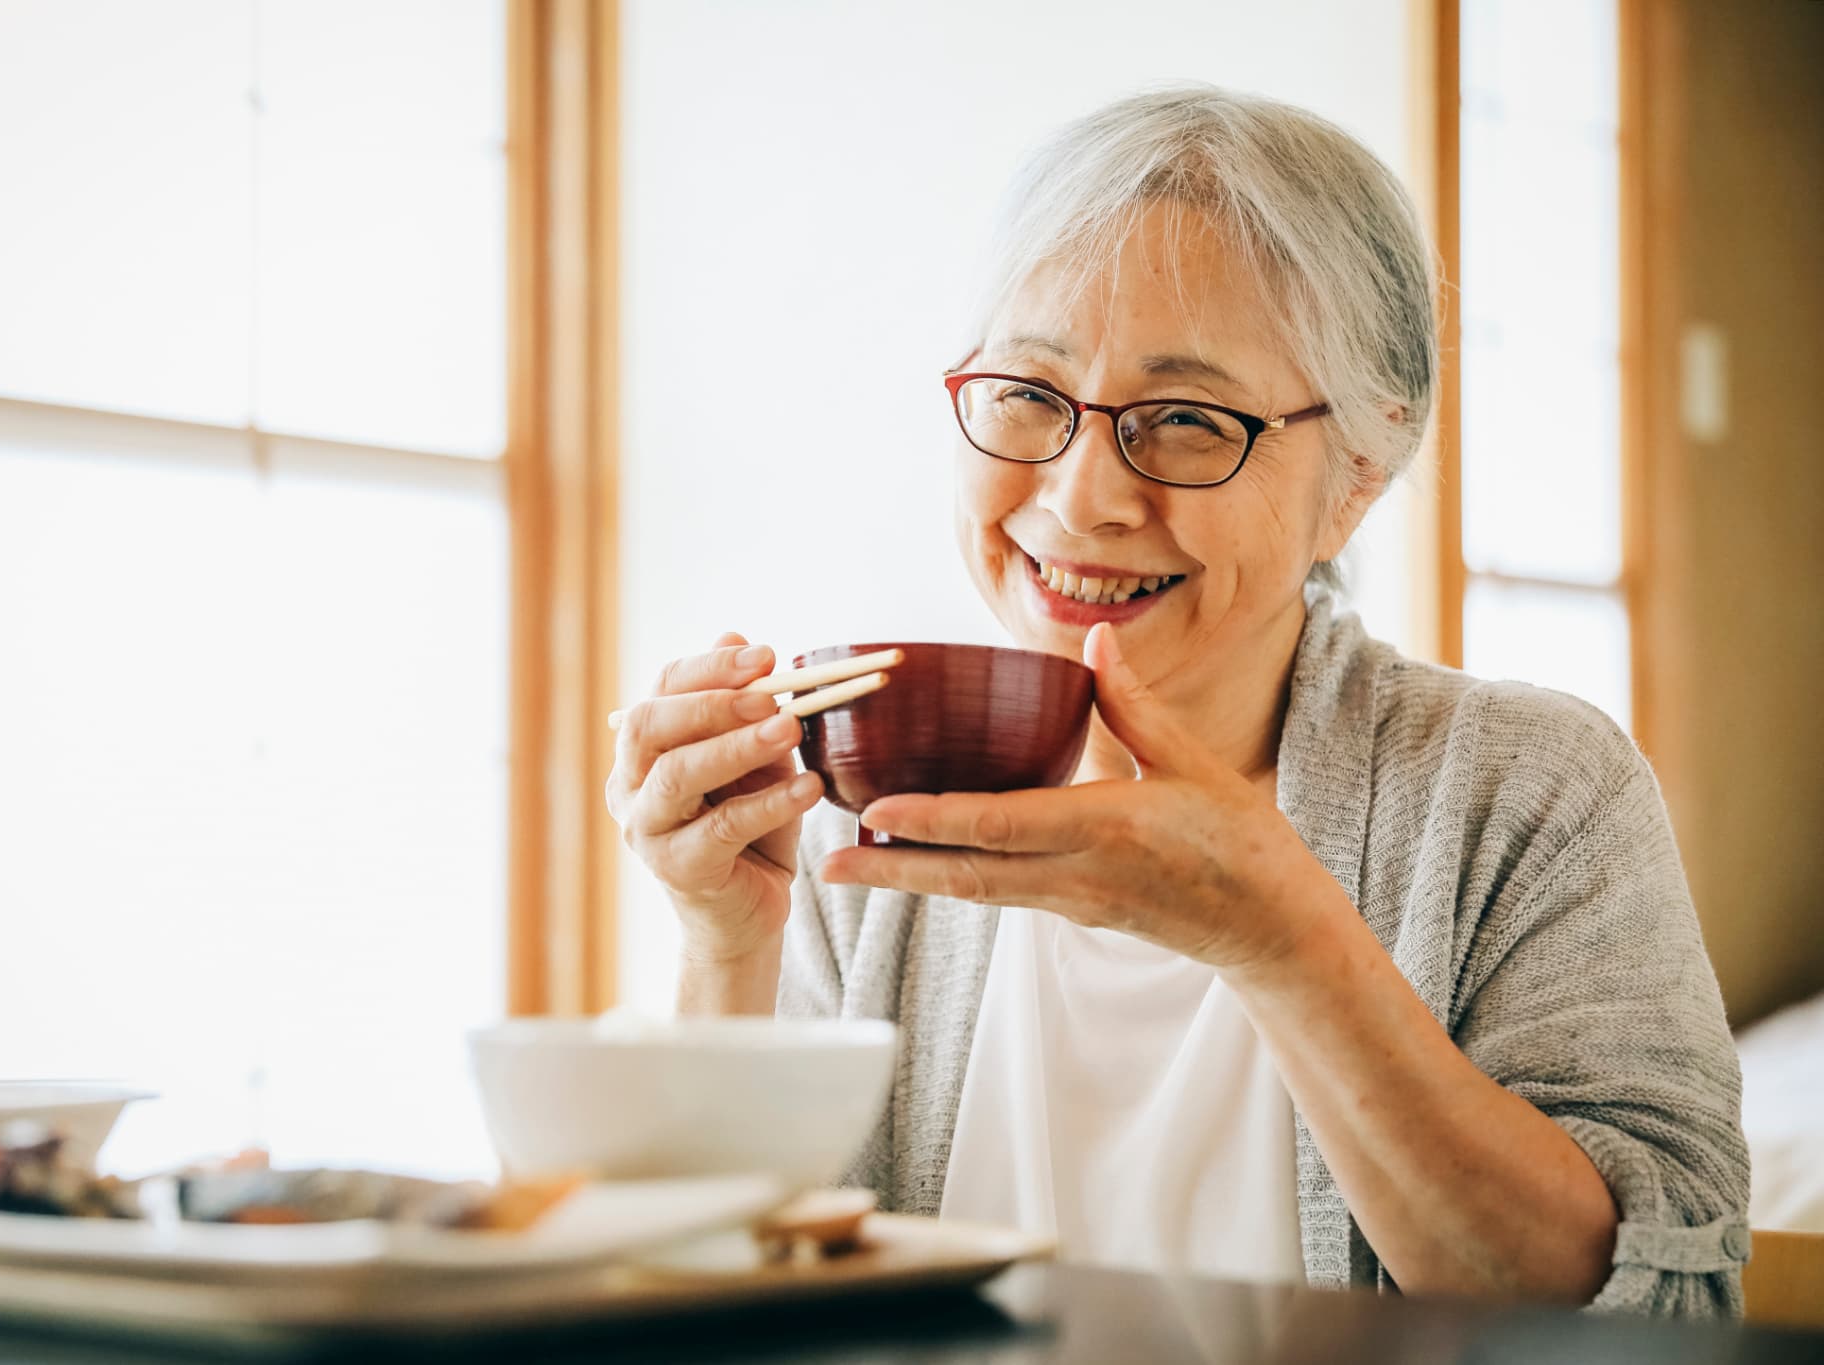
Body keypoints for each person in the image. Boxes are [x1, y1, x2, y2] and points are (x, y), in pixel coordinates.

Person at [603, 86, 1747, 1315]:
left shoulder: (1528, 791)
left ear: (1357, 475)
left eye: (1188, 421)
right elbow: (725, 1308)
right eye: (1029, 397)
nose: (1081, 494)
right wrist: (726, 946)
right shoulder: (864, 807)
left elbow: (1664, 1314)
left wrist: (1281, 942)